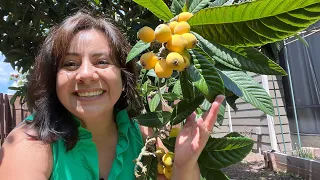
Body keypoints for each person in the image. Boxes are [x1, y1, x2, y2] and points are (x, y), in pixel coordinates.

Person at [0, 11, 224, 180]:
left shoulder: (146, 137)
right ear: (53, 80)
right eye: (70, 64)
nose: (86, 74)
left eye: (102, 62)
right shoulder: (28, 144)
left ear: (124, 77)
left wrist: (184, 166)